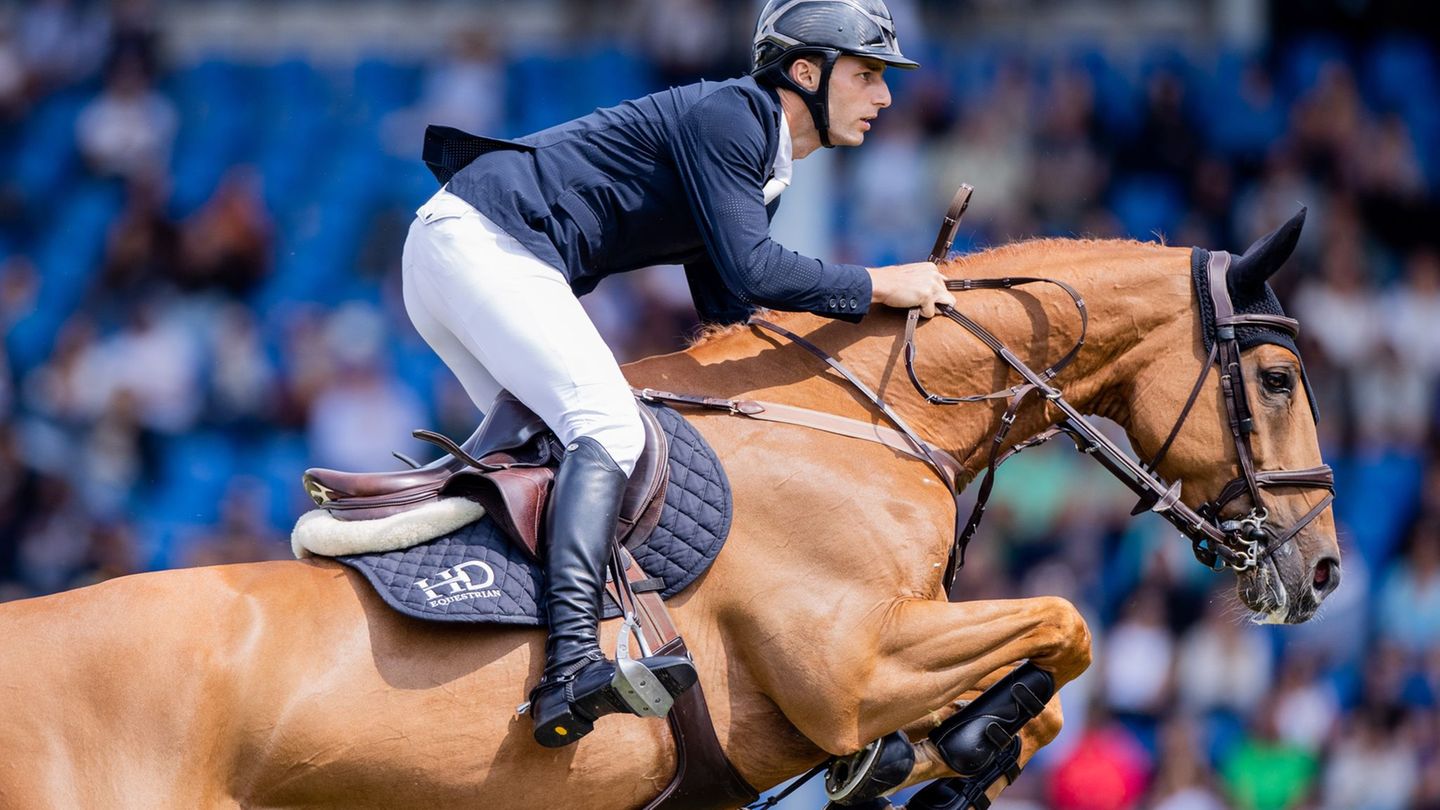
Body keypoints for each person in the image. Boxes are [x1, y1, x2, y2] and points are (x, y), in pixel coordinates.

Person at [402, 0, 954, 748]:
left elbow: (733, 310)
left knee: (552, 454)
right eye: (866, 75)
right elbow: (756, 270)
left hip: (461, 251)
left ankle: (484, 625)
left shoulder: (758, 158)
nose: (884, 97)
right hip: (485, 243)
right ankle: (568, 667)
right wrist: (883, 285)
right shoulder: (734, 116)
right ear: (804, 72)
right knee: (605, 426)